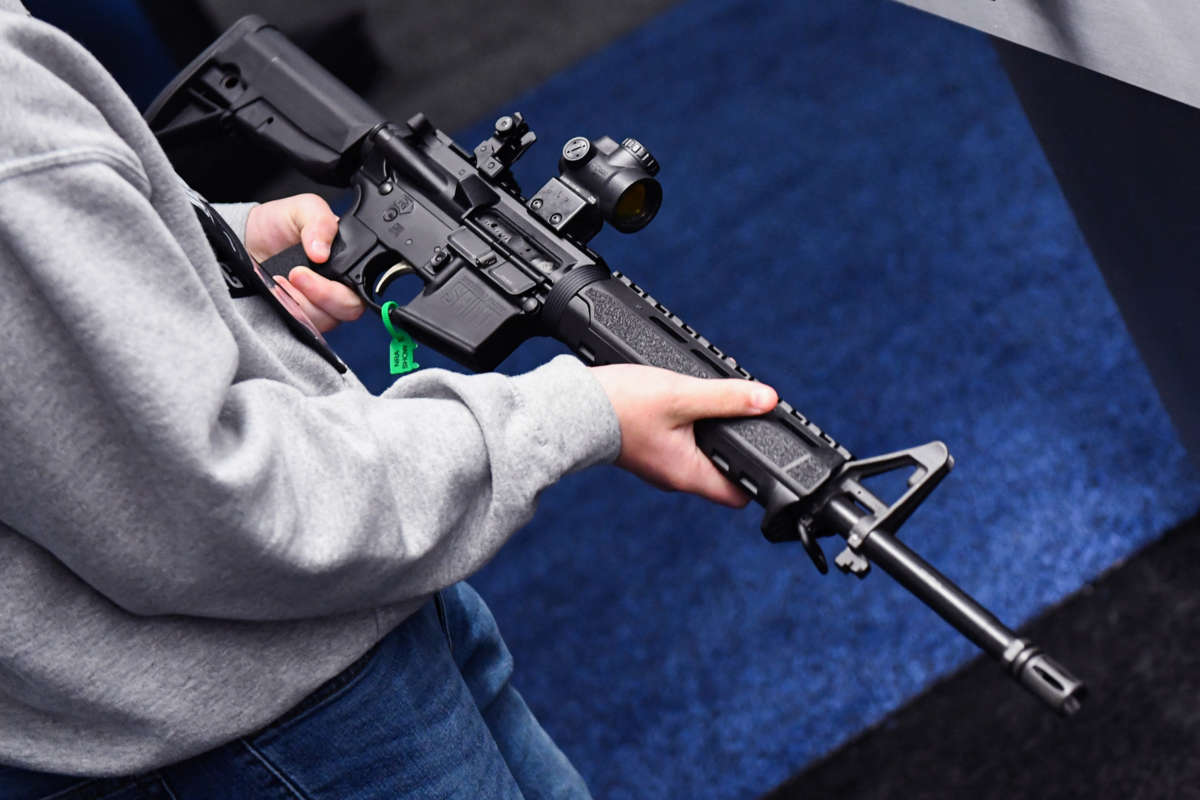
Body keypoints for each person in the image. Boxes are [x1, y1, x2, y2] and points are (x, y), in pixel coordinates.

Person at [0, 2, 777, 798]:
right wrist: (580, 415)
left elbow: (64, 288)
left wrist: (222, 249)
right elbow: (217, 505)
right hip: (258, 729)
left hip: (337, 633)